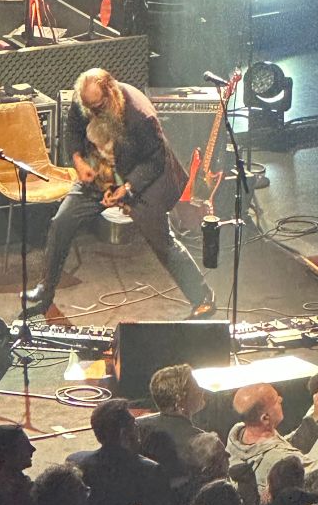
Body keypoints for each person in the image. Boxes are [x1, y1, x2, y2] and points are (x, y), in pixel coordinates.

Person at [22, 67, 214, 319]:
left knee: (162, 241)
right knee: (62, 222)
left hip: (143, 178)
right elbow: (73, 132)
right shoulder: (84, 101)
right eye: (89, 107)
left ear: (110, 94)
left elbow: (154, 161)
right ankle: (45, 290)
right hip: (100, 170)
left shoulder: (140, 115)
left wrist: (126, 188)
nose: (93, 112)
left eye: (98, 106)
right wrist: (79, 162)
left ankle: (203, 298)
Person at [225, 383, 318, 497]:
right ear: (265, 418)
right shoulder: (278, 459)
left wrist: (315, 417)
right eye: (275, 400)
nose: (281, 399)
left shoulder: (237, 434)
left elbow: (282, 447)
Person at [67, 399, 170, 505]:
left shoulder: (76, 462)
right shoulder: (151, 471)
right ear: (124, 433)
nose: (137, 427)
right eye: (133, 424)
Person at [137, 364, 206, 467]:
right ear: (180, 399)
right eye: (195, 388)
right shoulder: (203, 442)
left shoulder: (137, 427)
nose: (202, 391)